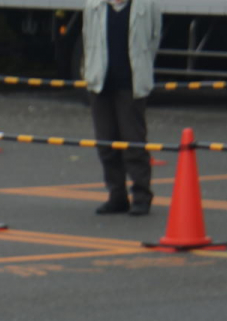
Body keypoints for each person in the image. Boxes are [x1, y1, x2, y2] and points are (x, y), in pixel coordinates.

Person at [83, 0, 162, 216]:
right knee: (106, 143)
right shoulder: (94, 6)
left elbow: (154, 38)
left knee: (134, 142)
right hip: (101, 82)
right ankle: (116, 195)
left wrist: (144, 67)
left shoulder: (146, 6)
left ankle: (141, 196)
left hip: (131, 84)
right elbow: (87, 38)